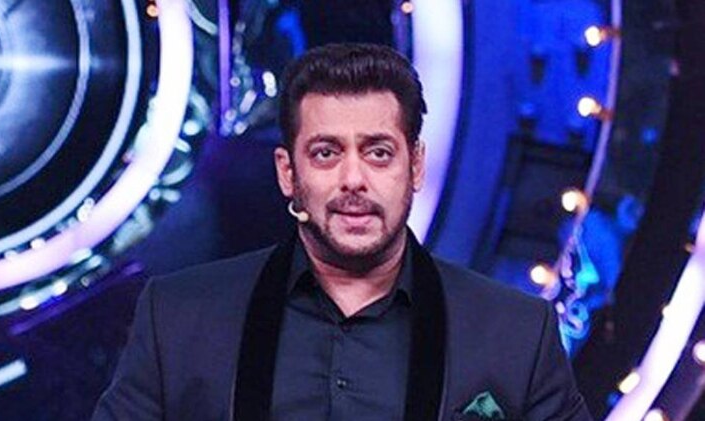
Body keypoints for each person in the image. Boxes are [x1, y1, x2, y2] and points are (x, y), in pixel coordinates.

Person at [93, 43, 591, 421]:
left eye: (378, 153)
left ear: (415, 166)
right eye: (326, 153)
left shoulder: (515, 333)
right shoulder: (179, 319)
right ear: (288, 173)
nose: (354, 180)